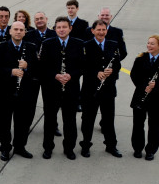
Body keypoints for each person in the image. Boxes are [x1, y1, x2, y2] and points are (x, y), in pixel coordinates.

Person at [0, 21, 39, 160]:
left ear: (25, 32)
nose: (18, 32)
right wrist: (11, 72)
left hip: (24, 93)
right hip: (6, 91)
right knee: (4, 122)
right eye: (16, 29)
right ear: (10, 31)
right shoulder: (1, 47)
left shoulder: (31, 47)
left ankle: (20, 147)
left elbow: (37, 71)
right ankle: (5, 147)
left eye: (21, 30)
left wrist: (27, 67)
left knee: (22, 122)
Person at [39, 17, 83, 159]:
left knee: (70, 120)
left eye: (64, 27)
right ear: (55, 29)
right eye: (59, 27)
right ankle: (48, 148)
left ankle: (69, 148)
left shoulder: (78, 44)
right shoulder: (47, 43)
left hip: (71, 88)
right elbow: (42, 67)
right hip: (51, 88)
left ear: (70, 28)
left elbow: (82, 67)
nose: (62, 30)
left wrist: (71, 75)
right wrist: (55, 75)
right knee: (50, 120)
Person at [80, 20, 123, 158]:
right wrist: (95, 73)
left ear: (106, 31)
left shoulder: (113, 45)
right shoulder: (86, 45)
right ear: (92, 31)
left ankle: (111, 146)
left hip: (108, 90)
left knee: (109, 120)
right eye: (98, 30)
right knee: (88, 120)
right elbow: (82, 66)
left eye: (103, 30)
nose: (101, 32)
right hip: (90, 91)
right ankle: (85, 145)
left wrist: (112, 71)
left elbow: (117, 65)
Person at [130, 35, 159, 160]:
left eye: (152, 44)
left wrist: (156, 85)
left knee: (154, 126)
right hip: (140, 96)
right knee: (138, 124)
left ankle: (150, 150)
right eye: (148, 43)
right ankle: (137, 148)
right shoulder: (141, 58)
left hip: (156, 99)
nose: (149, 46)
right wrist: (145, 86)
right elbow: (134, 75)